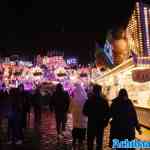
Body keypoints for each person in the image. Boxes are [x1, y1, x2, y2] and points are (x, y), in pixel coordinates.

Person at [83, 84, 110, 150]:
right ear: (100, 91)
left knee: (90, 142)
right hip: (100, 124)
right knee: (99, 142)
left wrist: (90, 114)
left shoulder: (89, 100)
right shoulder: (104, 101)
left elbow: (84, 111)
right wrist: (105, 122)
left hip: (91, 123)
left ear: (93, 91)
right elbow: (108, 113)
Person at [69, 83, 88, 148]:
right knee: (82, 128)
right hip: (83, 117)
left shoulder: (73, 99)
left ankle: (74, 140)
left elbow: (70, 108)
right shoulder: (85, 99)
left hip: (76, 117)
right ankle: (81, 141)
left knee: (75, 127)